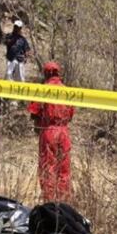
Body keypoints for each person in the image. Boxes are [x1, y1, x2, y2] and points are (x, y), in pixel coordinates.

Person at [28, 61, 75, 201]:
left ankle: (49, 202)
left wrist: (39, 129)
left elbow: (34, 113)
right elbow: (71, 114)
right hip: (64, 132)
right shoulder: (67, 90)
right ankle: (63, 201)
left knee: (48, 168)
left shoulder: (42, 90)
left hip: (48, 131)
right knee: (64, 169)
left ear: (46, 73)